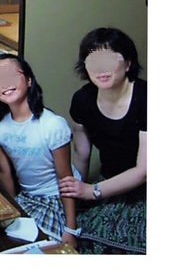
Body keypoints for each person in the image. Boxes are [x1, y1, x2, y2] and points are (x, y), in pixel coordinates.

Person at [59, 28, 146, 254]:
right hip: (109, 182)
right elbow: (82, 155)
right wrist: (76, 192)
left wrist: (92, 191)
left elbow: (144, 171)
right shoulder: (82, 99)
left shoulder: (147, 98)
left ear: (128, 63)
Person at [0, 54, 79, 247]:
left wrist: (71, 229)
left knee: (42, 246)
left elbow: (66, 178)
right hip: (26, 197)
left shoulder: (52, 125)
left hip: (55, 197)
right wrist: (12, 210)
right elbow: (4, 172)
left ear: (29, 80)